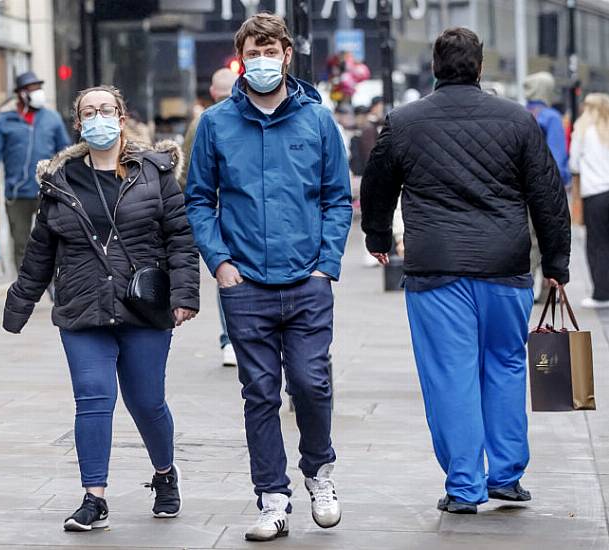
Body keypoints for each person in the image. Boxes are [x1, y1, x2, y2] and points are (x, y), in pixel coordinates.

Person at [361, 28, 571, 514]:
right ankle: (508, 476)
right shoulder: (518, 121)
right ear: (480, 68)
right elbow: (548, 197)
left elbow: (376, 187)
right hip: (506, 268)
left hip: (436, 270)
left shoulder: (404, 122)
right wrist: (556, 264)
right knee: (507, 366)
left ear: (434, 68)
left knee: (450, 375)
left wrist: (376, 238)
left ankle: (464, 486)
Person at [185, 13, 352, 542]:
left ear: (286, 55)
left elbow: (337, 197)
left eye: (269, 50)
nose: (261, 60)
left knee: (311, 383)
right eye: (251, 52)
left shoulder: (317, 121)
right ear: (242, 58)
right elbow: (197, 199)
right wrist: (220, 263)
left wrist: (327, 265)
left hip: (306, 279)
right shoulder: (216, 124)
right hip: (246, 285)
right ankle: (272, 497)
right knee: (259, 392)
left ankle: (319, 473)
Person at [3, 85, 200, 532]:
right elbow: (40, 249)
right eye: (88, 111)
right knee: (93, 398)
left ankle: (165, 474)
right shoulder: (60, 180)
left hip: (143, 308)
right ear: (77, 123)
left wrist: (185, 295)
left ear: (122, 115)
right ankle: (95, 497)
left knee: (147, 402)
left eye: (106, 109)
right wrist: (20, 303)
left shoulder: (154, 173)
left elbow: (180, 239)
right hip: (82, 307)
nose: (98, 117)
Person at [181, 67, 238, 367]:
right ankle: (232, 338)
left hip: (215, 212)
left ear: (212, 93)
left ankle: (230, 339)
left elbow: (187, 173)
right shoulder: (209, 121)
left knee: (225, 272)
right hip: (225, 211)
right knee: (228, 271)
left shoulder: (199, 122)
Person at [0, 71, 71, 272]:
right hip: (17, 193)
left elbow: (66, 152)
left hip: (49, 190)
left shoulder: (52, 118)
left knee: (53, 237)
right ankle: (25, 287)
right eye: (32, 89)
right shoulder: (3, 121)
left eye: (38, 88)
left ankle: (55, 283)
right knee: (21, 243)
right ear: (21, 94)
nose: (38, 93)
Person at [570, 93, 609, 309]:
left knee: (597, 243)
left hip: (595, 193)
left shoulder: (583, 131)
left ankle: (602, 293)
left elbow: (574, 164)